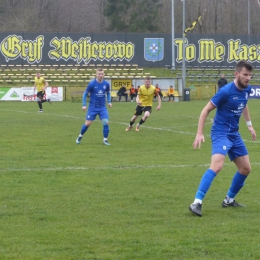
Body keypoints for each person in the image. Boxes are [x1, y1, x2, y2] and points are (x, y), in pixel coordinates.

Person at [189, 60, 256, 217]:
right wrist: (199, 133)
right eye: (245, 75)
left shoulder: (247, 90)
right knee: (217, 166)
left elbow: (244, 104)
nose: (248, 78)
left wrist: (249, 124)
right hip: (221, 133)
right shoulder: (225, 91)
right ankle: (196, 202)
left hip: (234, 133)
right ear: (237, 74)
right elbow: (205, 110)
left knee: (246, 168)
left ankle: (229, 199)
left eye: (250, 75)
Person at [76, 68, 112, 146]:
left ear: (104, 74)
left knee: (106, 122)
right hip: (93, 107)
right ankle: (80, 136)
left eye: (102, 74)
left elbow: (108, 93)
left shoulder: (106, 84)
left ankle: (105, 140)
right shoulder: (92, 84)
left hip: (102, 107)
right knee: (87, 124)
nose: (101, 75)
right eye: (99, 74)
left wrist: (109, 102)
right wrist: (84, 105)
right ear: (96, 74)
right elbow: (85, 94)